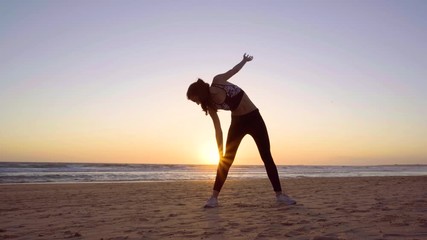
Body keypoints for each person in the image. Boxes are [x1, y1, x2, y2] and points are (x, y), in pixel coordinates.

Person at [187, 53, 296, 208]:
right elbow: (218, 130)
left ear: (199, 92)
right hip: (237, 123)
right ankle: (213, 198)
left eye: (194, 99)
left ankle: (280, 195)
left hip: (254, 118)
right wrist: (220, 153)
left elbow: (233, 70)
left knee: (266, 156)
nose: (196, 103)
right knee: (226, 161)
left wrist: (244, 61)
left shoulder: (218, 81)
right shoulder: (211, 107)